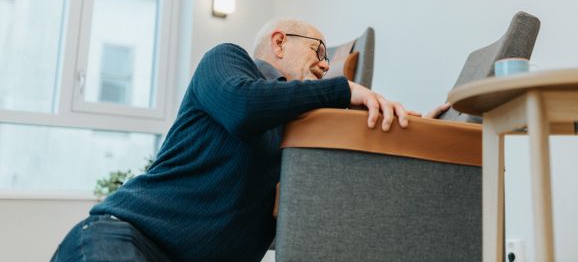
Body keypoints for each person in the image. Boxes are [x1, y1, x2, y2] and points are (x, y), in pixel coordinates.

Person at [51, 18, 433, 262]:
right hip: (122, 240)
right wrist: (342, 89)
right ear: (279, 43)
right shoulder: (228, 62)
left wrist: (415, 139)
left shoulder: (297, 132)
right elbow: (242, 107)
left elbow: (342, 194)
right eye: (318, 50)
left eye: (327, 59)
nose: (324, 64)